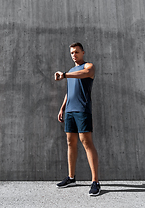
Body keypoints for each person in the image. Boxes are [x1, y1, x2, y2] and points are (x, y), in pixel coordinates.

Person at [54, 42, 100, 196]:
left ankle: (95, 181)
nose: (74, 55)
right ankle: (71, 177)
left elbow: (85, 74)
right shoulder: (71, 71)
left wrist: (65, 75)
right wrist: (62, 107)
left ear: (83, 52)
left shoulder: (89, 67)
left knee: (86, 142)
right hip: (70, 111)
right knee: (70, 143)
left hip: (82, 110)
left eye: (77, 52)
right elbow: (70, 90)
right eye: (72, 53)